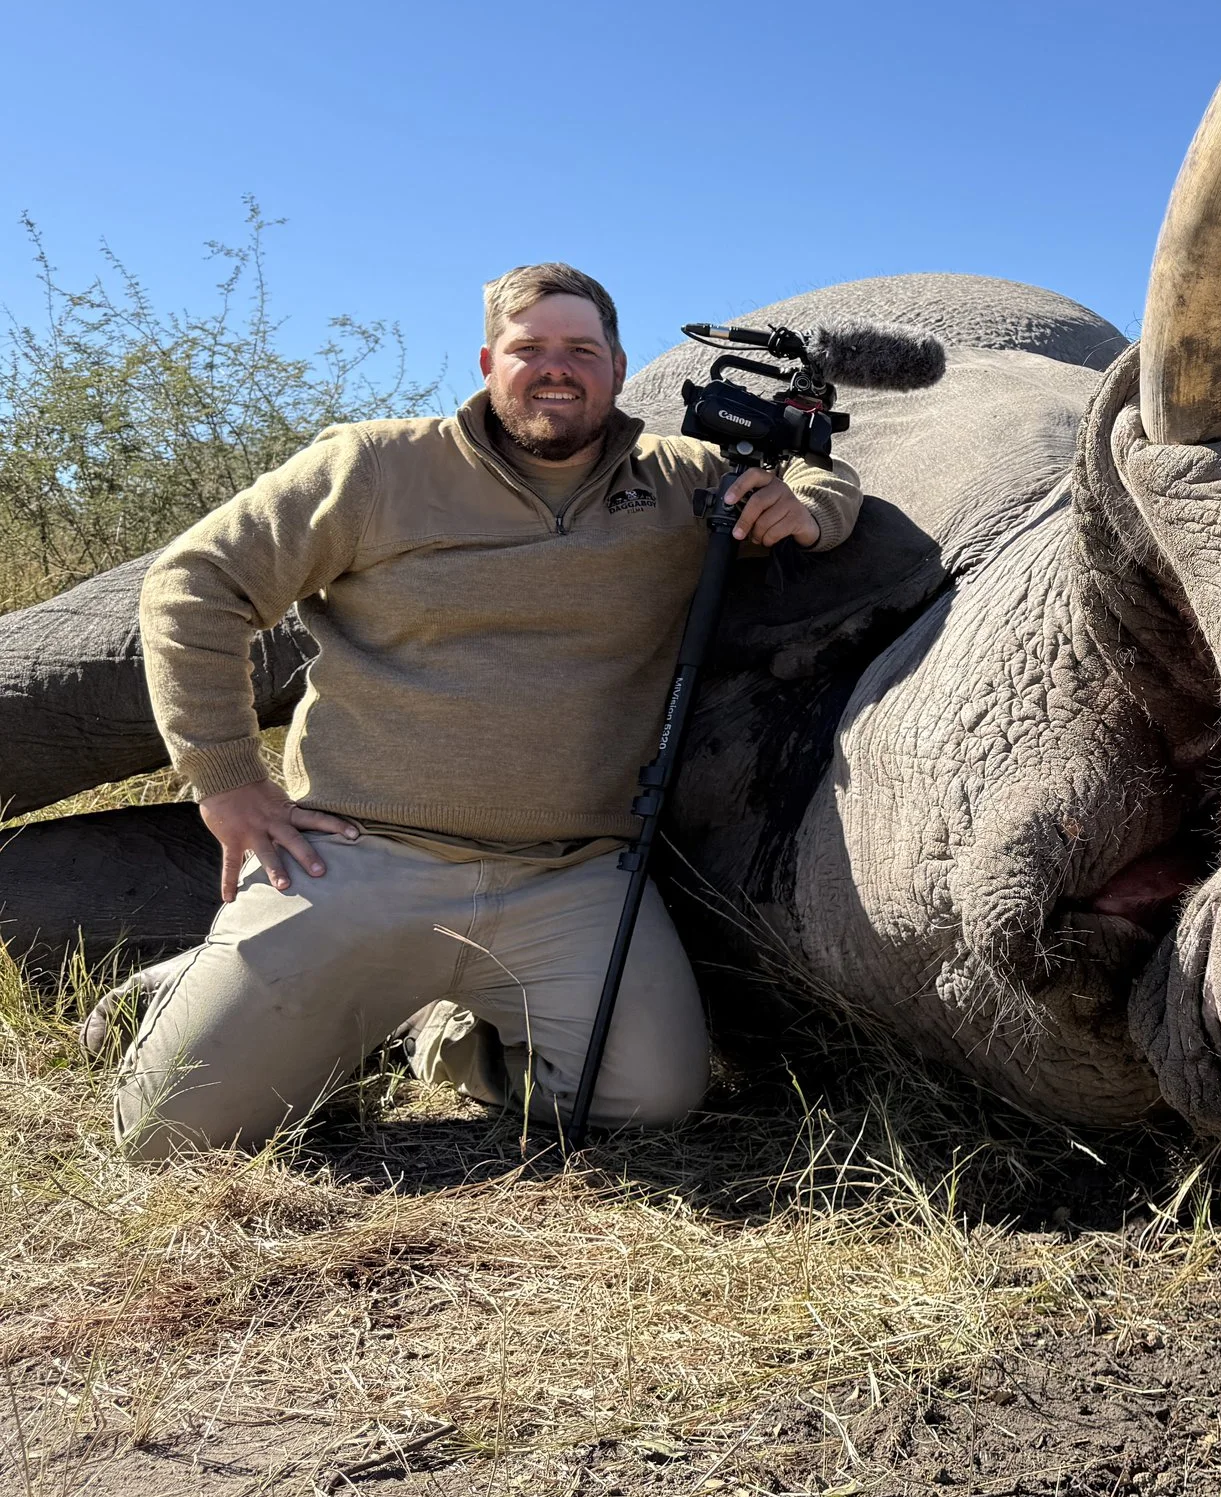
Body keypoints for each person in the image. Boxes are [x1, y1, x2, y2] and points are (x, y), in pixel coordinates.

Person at [110, 263, 859, 1158]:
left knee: (646, 1101)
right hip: (357, 858)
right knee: (169, 1135)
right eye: (529, 348)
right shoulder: (375, 464)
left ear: (620, 368)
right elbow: (195, 583)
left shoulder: (683, 484)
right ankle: (185, 989)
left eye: (581, 349)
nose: (556, 368)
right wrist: (227, 781)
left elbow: (826, 480)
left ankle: (428, 1032)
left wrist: (808, 506)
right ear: (486, 361)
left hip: (570, 879)